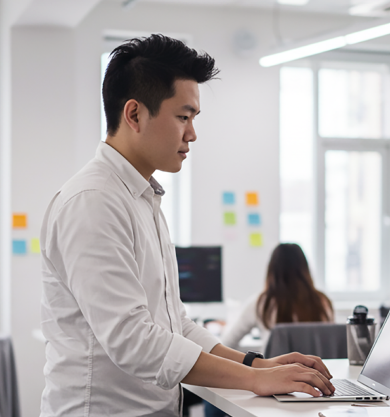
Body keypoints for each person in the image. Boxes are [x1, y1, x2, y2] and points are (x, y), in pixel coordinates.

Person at [39, 34, 334, 417]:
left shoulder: (142, 198)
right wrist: (253, 381)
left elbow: (175, 324)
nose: (192, 134)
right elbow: (133, 341)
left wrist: (257, 365)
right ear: (134, 115)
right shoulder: (93, 202)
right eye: (183, 117)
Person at [221, 243, 334, 350]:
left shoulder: (262, 303)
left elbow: (227, 343)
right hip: (315, 369)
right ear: (305, 269)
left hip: (274, 369)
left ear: (272, 269)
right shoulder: (322, 302)